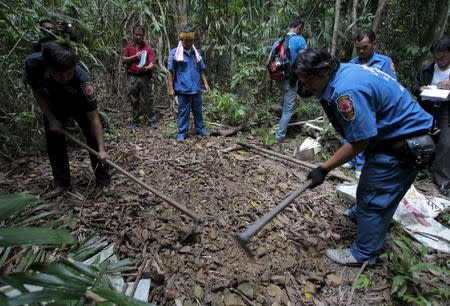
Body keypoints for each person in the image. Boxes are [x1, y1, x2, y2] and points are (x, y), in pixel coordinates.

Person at [293, 47, 433, 265]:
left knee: (373, 197)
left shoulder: (345, 92)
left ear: (323, 72)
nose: (305, 88)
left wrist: (324, 169)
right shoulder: (344, 73)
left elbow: (360, 141)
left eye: (307, 81)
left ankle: (364, 254)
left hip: (403, 145)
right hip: (392, 139)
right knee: (369, 188)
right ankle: (364, 217)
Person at [25, 41, 112, 199]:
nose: (65, 78)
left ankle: (104, 180)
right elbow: (36, 91)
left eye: (69, 73)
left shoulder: (82, 80)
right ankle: (62, 182)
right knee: (54, 139)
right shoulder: (33, 65)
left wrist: (101, 149)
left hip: (78, 102)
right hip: (53, 102)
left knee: (92, 135)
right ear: (48, 67)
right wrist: (51, 118)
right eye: (59, 74)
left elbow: (94, 117)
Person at [344, 29, 398, 175]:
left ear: (374, 44)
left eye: (365, 47)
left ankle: (361, 166)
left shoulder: (384, 62)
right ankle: (351, 160)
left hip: (376, 106)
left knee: (367, 135)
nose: (361, 51)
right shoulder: (352, 64)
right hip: (356, 105)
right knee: (353, 131)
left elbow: (392, 84)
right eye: (358, 48)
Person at [412, 36, 450, 197]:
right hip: (426, 107)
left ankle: (442, 181)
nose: (439, 60)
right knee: (420, 138)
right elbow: (414, 86)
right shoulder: (426, 67)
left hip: (447, 110)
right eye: (436, 57)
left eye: (442, 56)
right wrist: (421, 89)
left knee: (446, 144)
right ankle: (416, 170)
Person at [167, 25, 210, 141]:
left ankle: (200, 129)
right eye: (186, 39)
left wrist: (206, 83)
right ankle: (182, 133)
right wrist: (171, 89)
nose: (188, 42)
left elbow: (201, 69)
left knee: (198, 111)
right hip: (183, 89)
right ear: (181, 39)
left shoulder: (196, 52)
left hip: (196, 89)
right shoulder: (175, 53)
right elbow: (170, 71)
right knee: (183, 112)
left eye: (190, 40)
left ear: (193, 40)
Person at [271, 16, 307, 140]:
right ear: (298, 28)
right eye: (301, 29)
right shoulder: (299, 40)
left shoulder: (278, 41)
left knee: (286, 95)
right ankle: (279, 136)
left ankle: (278, 108)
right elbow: (304, 60)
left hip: (277, 77)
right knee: (288, 110)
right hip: (290, 78)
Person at [122, 25, 157, 129]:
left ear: (144, 35)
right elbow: (123, 60)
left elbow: (152, 63)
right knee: (134, 100)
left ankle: (152, 120)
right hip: (132, 77)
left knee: (148, 99)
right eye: (136, 34)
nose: (138, 36)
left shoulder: (148, 48)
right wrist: (135, 56)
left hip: (145, 77)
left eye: (140, 35)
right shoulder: (129, 47)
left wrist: (147, 68)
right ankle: (135, 121)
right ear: (133, 34)